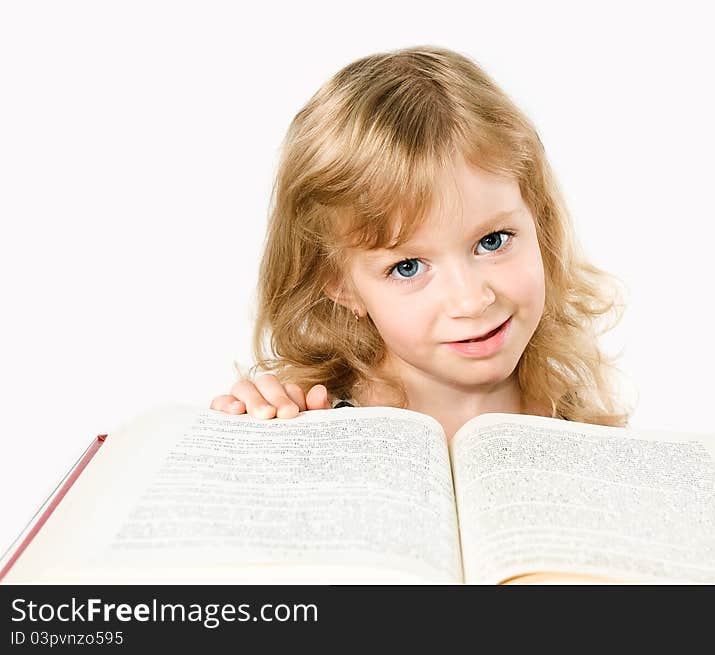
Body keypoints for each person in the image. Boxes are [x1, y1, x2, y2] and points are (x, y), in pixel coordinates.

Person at [209, 45, 634, 440]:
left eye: (493, 241)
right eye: (408, 266)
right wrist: (264, 427)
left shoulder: (572, 414)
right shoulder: (317, 415)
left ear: (537, 222)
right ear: (341, 285)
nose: (470, 301)